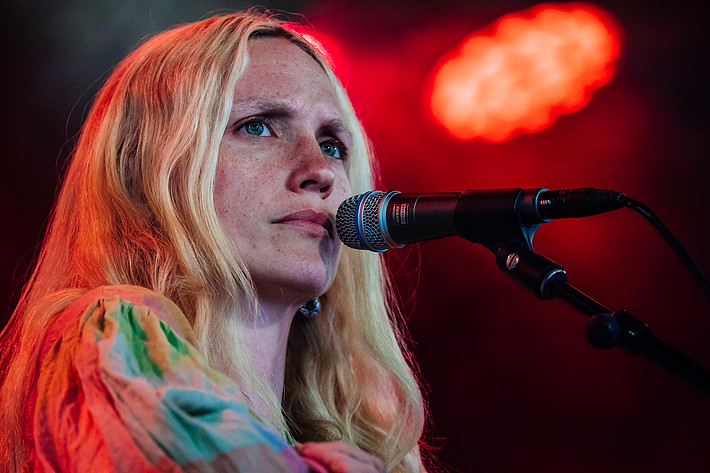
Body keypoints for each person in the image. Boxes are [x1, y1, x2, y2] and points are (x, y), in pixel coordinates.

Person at [0, 10, 429, 473]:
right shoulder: (109, 334)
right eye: (258, 126)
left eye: (332, 145)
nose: (320, 170)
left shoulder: (354, 436)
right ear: (145, 172)